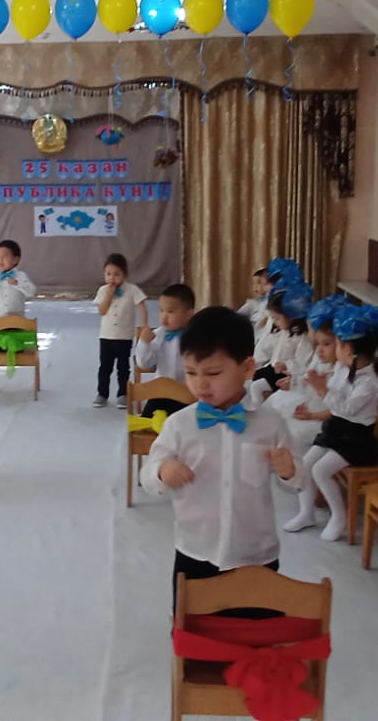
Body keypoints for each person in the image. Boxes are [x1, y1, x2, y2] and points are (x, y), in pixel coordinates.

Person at [139, 306, 299, 609]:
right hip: (195, 551)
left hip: (256, 555)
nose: (200, 384)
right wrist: (161, 470)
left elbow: (297, 482)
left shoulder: (271, 424)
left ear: (247, 368)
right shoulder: (179, 425)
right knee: (193, 630)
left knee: (254, 632)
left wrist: (289, 471)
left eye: (213, 373)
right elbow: (147, 474)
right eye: (190, 372)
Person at [289, 305, 378, 541]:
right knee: (305, 465)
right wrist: (318, 383)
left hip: (357, 440)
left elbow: (347, 408)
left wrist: (322, 389)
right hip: (337, 430)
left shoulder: (369, 383)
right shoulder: (342, 367)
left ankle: (339, 517)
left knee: (321, 470)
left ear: (348, 350)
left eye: (336, 345)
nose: (333, 350)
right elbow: (335, 393)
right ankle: (306, 513)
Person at [266, 297, 345, 478]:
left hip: (326, 422)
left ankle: (296, 475)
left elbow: (336, 410)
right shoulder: (322, 360)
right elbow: (308, 379)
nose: (319, 350)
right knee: (277, 415)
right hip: (313, 411)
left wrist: (311, 414)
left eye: (326, 344)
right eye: (317, 344)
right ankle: (280, 466)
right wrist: (294, 383)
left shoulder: (342, 372)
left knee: (294, 433)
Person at [132, 283, 197, 416]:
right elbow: (144, 363)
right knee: (146, 421)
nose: (164, 316)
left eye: (170, 312)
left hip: (187, 393)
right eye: (161, 310)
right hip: (161, 393)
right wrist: (144, 343)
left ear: (188, 314)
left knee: (185, 422)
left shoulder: (195, 337)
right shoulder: (158, 335)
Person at [94, 253, 148, 409]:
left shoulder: (132, 290)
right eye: (108, 274)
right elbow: (102, 311)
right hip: (106, 336)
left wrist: (144, 324)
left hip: (124, 336)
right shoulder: (103, 290)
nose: (112, 278)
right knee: (105, 367)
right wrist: (109, 296)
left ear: (125, 274)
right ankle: (102, 394)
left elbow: (142, 306)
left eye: (117, 274)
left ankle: (122, 394)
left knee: (123, 367)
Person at [252, 283, 314, 393]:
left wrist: (286, 365)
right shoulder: (282, 332)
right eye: (273, 319)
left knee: (256, 387)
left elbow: (302, 362)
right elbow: (267, 348)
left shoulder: (301, 338)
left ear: (290, 317)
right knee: (249, 377)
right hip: (273, 368)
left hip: (285, 374)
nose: (274, 322)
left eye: (277, 319)